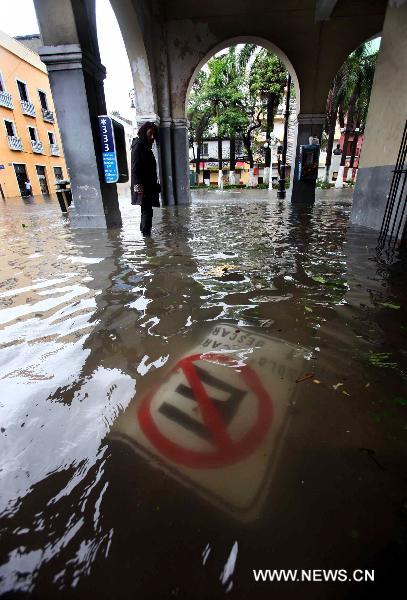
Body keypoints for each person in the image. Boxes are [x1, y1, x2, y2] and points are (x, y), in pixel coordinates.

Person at [131, 122, 161, 236]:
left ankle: (145, 237)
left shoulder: (145, 146)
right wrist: (138, 187)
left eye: (154, 134)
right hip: (143, 186)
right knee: (147, 211)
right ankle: (147, 239)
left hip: (148, 185)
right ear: (144, 132)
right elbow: (135, 168)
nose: (152, 137)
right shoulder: (138, 145)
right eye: (150, 134)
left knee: (147, 211)